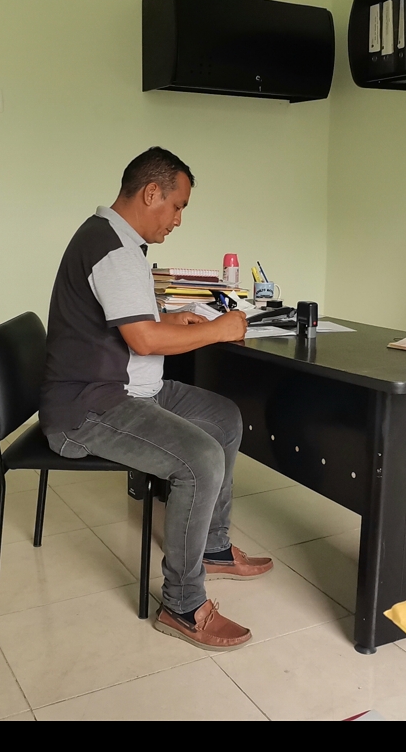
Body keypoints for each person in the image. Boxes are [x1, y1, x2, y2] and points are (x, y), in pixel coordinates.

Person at [40, 149, 273, 650]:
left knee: (223, 418)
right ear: (151, 194)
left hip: (127, 387)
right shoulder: (113, 250)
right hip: (89, 407)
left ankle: (212, 547)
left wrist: (169, 320)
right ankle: (183, 605)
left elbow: (129, 324)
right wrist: (217, 329)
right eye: (178, 206)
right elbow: (143, 341)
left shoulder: (116, 240)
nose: (178, 219)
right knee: (200, 460)